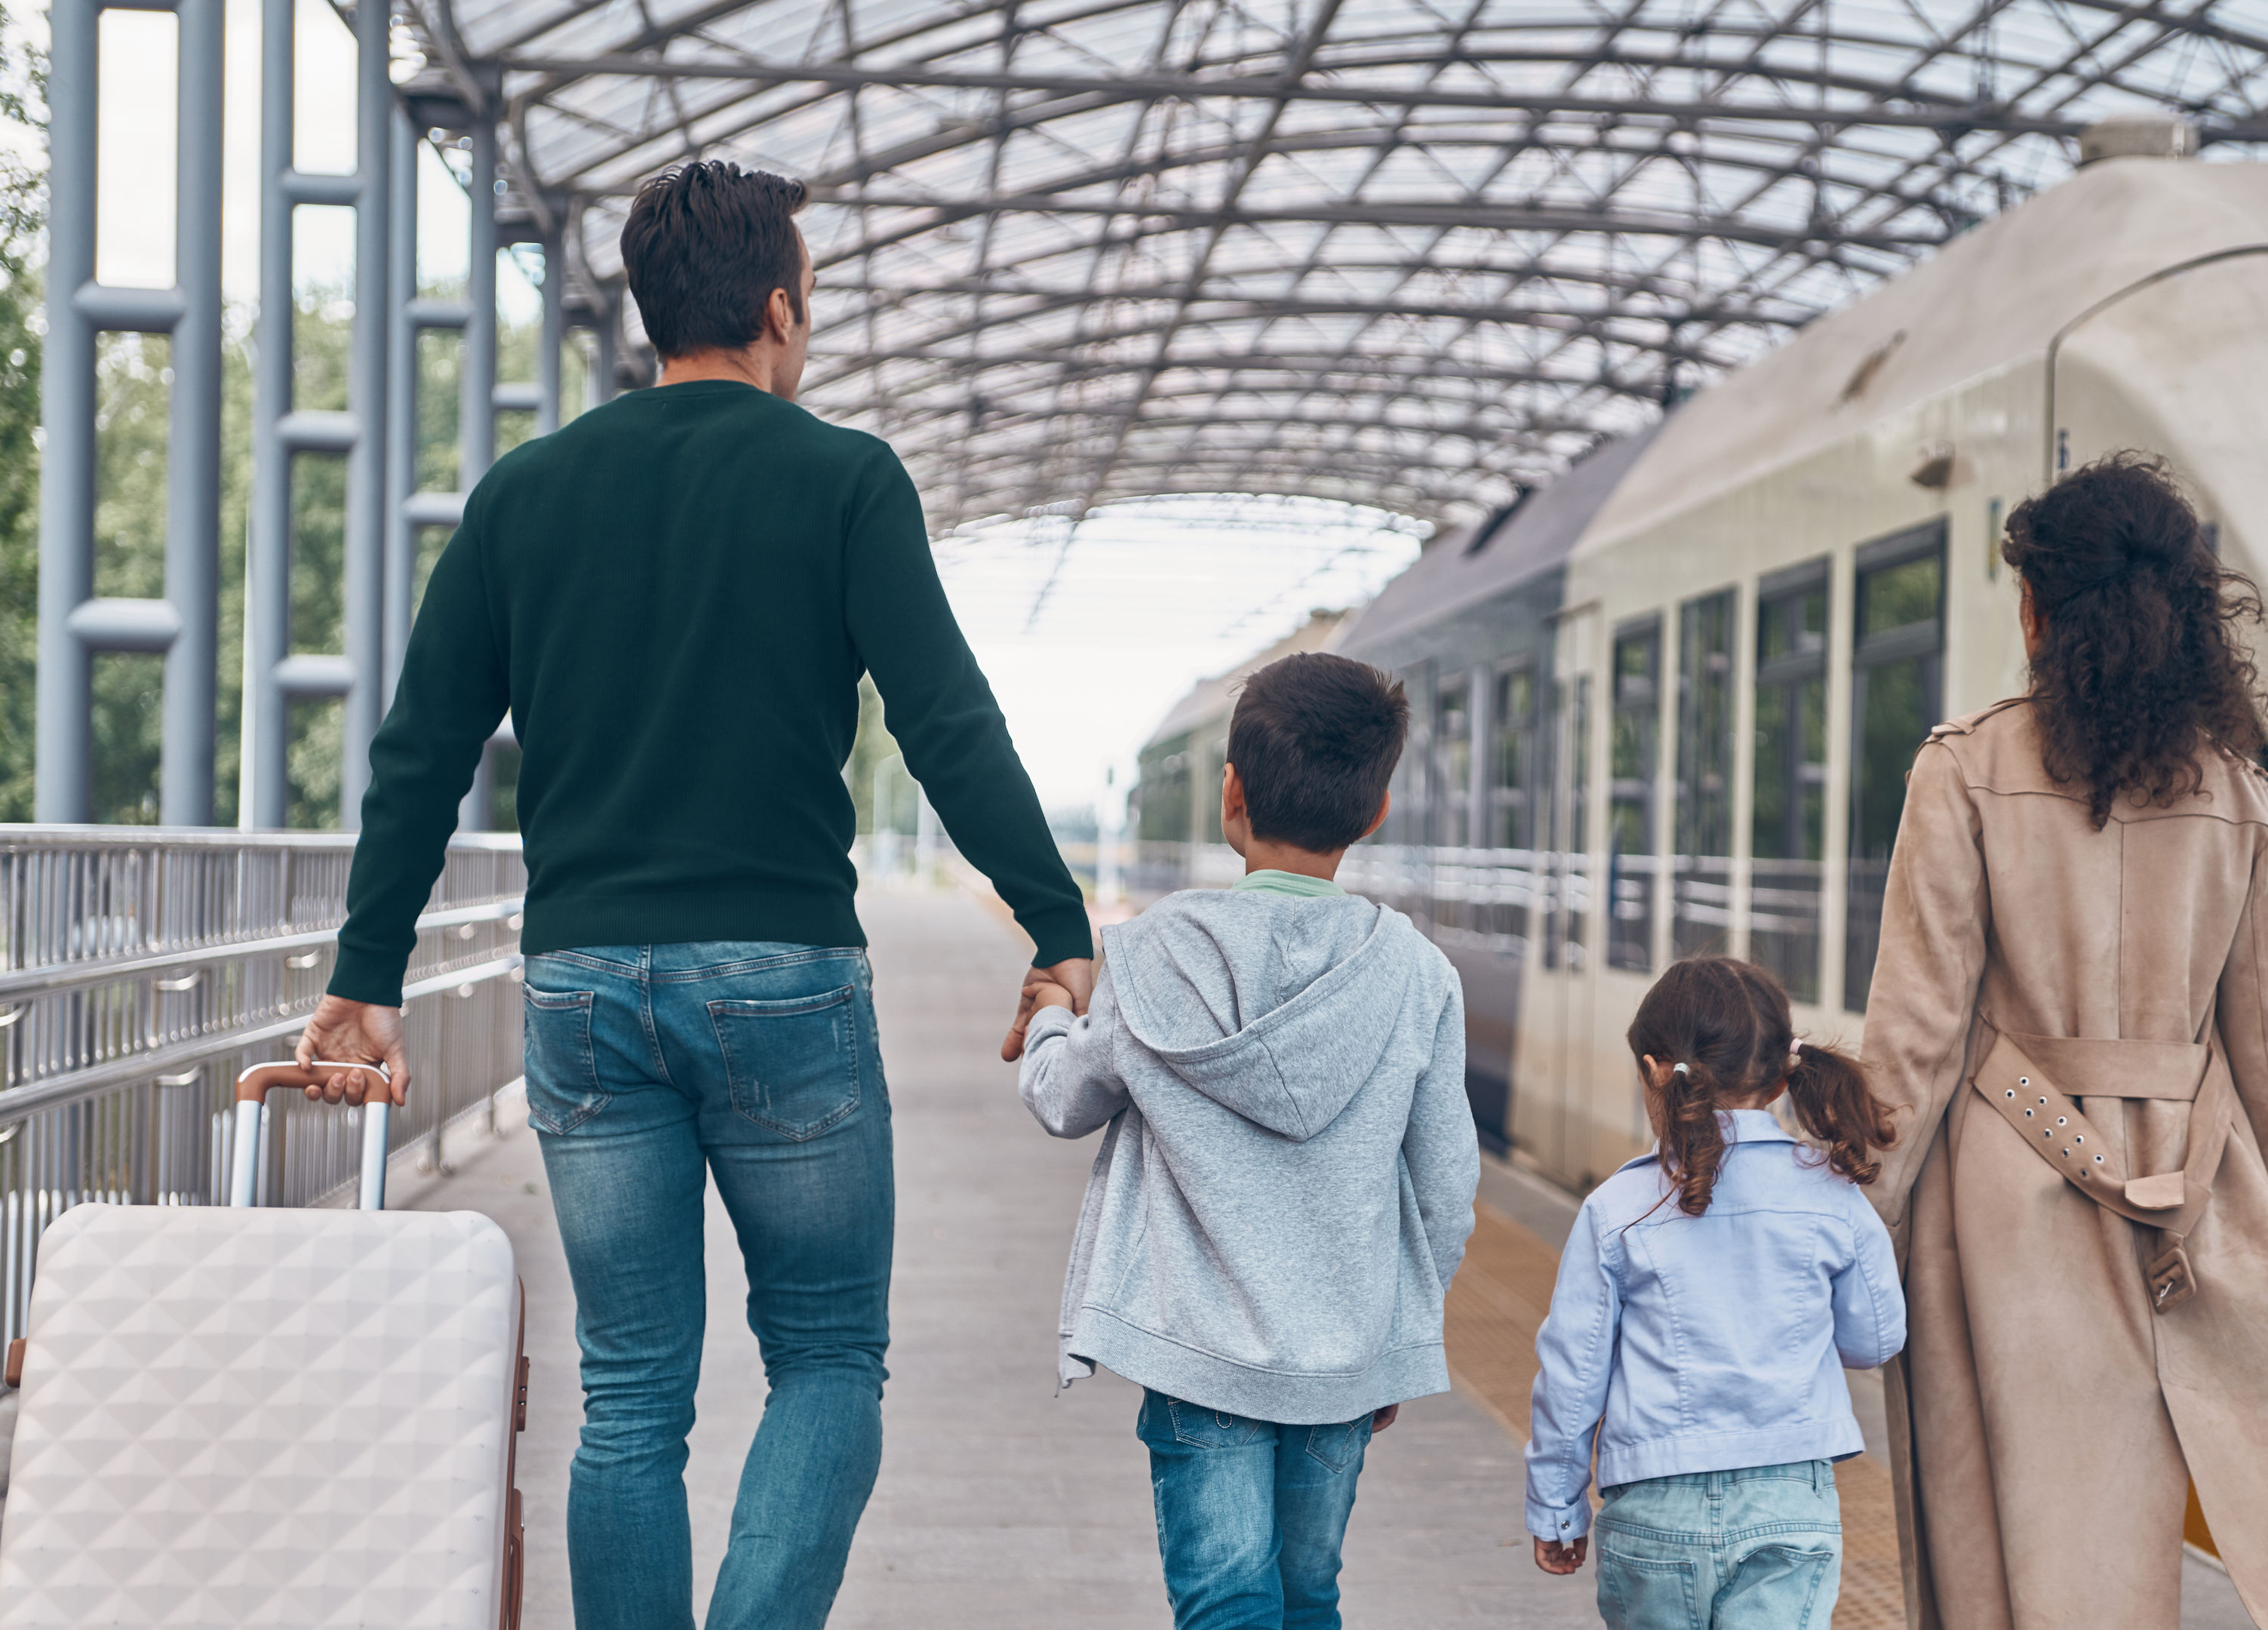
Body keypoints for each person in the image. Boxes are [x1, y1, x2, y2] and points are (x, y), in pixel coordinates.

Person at [294, 160, 1095, 1630]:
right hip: (784, 980)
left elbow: (420, 755)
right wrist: (1058, 924)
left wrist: (368, 970)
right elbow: (948, 721)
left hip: (587, 988)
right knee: (831, 1357)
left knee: (631, 1395)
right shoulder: (844, 479)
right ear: (778, 309)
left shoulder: (525, 495)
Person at [1860, 453, 2268, 1626]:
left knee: (2019, 1557)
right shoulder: (2238, 792)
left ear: (2036, 612)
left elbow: (1912, 1037)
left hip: (2005, 1211)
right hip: (2198, 1200)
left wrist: (1848, 1237)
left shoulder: (1962, 770)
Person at [1009, 651, 1478, 1630]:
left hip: (1198, 1351)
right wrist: (1393, 1337)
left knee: (1225, 1605)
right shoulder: (1420, 975)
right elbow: (1444, 1187)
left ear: (1231, 794)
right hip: (1342, 1355)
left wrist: (1055, 1010)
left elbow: (1063, 1099)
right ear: (1377, 809)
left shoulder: (1153, 954)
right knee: (1310, 1598)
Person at [1521, 957, 1904, 1629]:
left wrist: (1557, 1504)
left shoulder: (1618, 1207)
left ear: (1651, 1070)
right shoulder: (1834, 1195)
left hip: (1653, 1506)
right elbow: (1875, 1340)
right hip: (1791, 1500)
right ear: (1788, 1074)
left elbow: (1573, 1375)